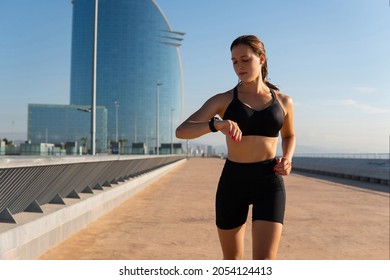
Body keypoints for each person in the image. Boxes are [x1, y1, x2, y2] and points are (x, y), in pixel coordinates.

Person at [176, 34, 295, 260]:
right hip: (233, 182)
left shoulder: (284, 101)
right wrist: (215, 124)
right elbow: (182, 131)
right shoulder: (224, 100)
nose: (239, 66)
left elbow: (289, 135)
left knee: (265, 262)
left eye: (244, 59)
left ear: (261, 59)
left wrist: (287, 158)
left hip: (269, 182)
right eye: (234, 62)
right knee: (233, 262)